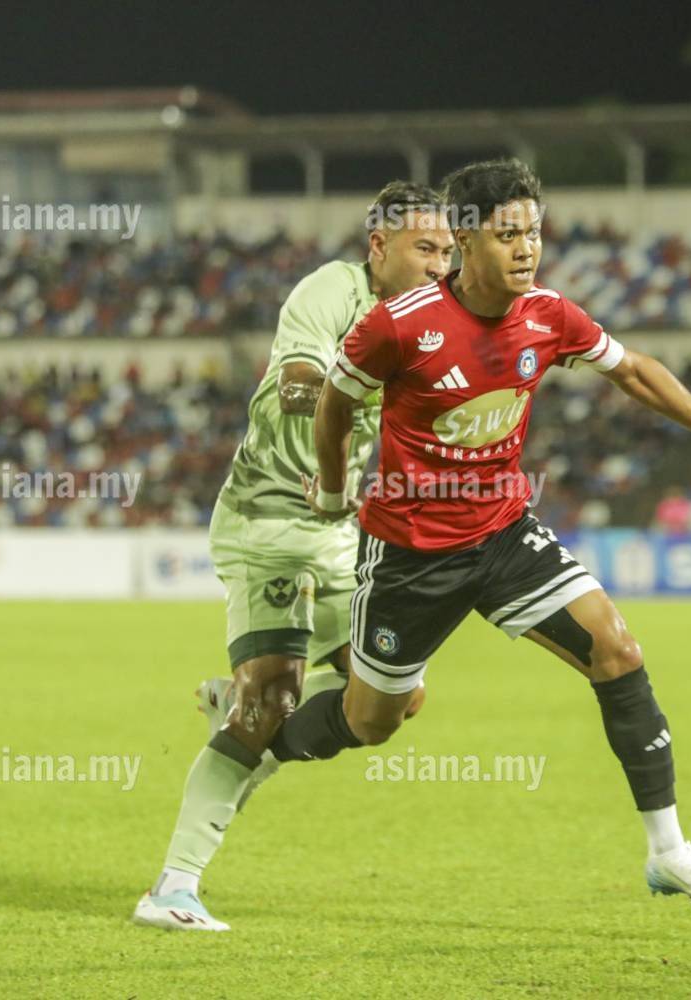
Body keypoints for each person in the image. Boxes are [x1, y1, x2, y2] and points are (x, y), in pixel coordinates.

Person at [278, 158, 691, 910]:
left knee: (617, 650)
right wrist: (336, 489)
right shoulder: (400, 325)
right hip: (411, 553)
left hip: (503, 533)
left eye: (534, 232)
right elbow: (336, 402)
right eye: (509, 235)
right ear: (467, 240)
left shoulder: (548, 314)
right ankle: (264, 734)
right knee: (372, 722)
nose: (527, 248)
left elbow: (633, 371)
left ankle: (669, 851)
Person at [133, 182, 454, 931]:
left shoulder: (432, 323)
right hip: (268, 521)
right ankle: (173, 888)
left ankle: (246, 708)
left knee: (395, 700)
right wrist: (354, 399)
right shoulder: (333, 290)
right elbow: (298, 382)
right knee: (271, 702)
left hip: (339, 533)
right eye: (424, 248)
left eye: (448, 251)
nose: (440, 265)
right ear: (379, 247)